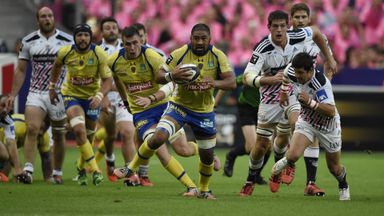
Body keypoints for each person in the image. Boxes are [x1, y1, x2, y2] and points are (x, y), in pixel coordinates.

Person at [114, 23, 236, 199]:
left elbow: (231, 82)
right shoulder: (179, 54)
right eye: (196, 38)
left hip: (204, 111)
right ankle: (130, 168)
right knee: (158, 137)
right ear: (191, 38)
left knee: (207, 157)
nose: (200, 42)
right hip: (179, 107)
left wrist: (213, 83)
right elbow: (159, 76)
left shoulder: (218, 56)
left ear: (209, 39)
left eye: (203, 38)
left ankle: (204, 189)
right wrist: (172, 76)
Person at [239, 10, 336, 197]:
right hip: (269, 98)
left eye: (283, 26)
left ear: (287, 26)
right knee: (261, 145)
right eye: (275, 26)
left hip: (292, 91)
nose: (279, 30)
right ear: (269, 27)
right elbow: (247, 76)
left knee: (302, 125)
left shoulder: (297, 35)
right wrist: (266, 80)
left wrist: (330, 59)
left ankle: (299, 173)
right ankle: (250, 180)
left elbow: (315, 31)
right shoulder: (262, 47)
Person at [109, 26, 199, 191]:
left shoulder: (153, 56)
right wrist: (126, 101)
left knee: (183, 150)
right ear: (122, 43)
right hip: (142, 112)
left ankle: (204, 150)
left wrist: (151, 98)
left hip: (164, 106)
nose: (132, 47)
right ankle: (191, 187)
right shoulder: (114, 61)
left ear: (142, 40)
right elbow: (117, 78)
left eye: (136, 43)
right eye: (128, 44)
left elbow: (171, 82)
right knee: (155, 144)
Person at [270, 52, 350, 201]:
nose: (298, 76)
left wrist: (310, 102)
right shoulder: (292, 71)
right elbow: (286, 76)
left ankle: (343, 184)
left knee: (334, 168)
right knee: (293, 155)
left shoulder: (321, 83)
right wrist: (283, 92)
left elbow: (331, 111)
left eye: (301, 73)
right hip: (307, 122)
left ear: (310, 70)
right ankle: (284, 163)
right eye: (296, 72)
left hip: (328, 127)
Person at [6, 6, 72, 184]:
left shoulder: (68, 40)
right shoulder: (29, 41)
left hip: (58, 93)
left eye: (50, 15)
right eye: (43, 16)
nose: (47, 18)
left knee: (58, 134)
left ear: (54, 19)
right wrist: (12, 94)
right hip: (36, 92)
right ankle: (28, 170)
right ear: (38, 20)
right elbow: (20, 69)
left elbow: (75, 67)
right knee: (32, 128)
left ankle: (57, 173)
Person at [49, 23, 112, 186]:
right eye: (79, 35)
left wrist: (99, 95)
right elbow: (56, 66)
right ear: (74, 37)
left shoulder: (99, 53)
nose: (82, 38)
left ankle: (81, 167)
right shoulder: (66, 52)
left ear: (90, 37)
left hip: (91, 98)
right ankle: (96, 171)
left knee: (88, 137)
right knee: (79, 130)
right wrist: (52, 87)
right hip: (72, 96)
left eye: (86, 35)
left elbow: (107, 80)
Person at [289, 2, 335, 196]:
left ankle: (310, 182)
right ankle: (287, 161)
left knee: (311, 128)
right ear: (290, 19)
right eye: (296, 17)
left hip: (309, 90)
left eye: (303, 17)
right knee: (290, 129)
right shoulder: (287, 37)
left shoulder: (317, 38)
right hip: (288, 87)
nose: (300, 21)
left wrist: (325, 83)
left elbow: (328, 65)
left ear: (309, 19)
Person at [91, 17, 136, 183]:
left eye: (114, 27)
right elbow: (94, 78)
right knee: (110, 135)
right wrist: (101, 96)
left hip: (124, 98)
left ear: (118, 30)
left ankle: (130, 172)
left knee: (127, 132)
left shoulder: (128, 48)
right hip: (105, 98)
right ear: (102, 31)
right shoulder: (95, 50)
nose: (111, 30)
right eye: (107, 28)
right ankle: (109, 159)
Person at [220, 74, 270, 185]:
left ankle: (256, 175)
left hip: (264, 109)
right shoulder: (250, 74)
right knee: (251, 147)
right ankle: (232, 155)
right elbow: (230, 84)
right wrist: (216, 101)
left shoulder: (276, 75)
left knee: (268, 146)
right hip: (246, 107)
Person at [0, 113, 52, 181]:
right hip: (3, 144)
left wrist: (48, 179)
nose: (41, 133)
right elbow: (9, 148)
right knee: (7, 156)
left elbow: (46, 159)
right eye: (40, 128)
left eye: (45, 129)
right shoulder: (18, 127)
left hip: (7, 148)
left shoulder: (44, 137)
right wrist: (19, 170)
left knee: (5, 179)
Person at [0, 95, 26, 183]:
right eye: (2, 105)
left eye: (7, 106)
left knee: (5, 155)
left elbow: (11, 143)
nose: (4, 110)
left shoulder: (8, 121)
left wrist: (18, 169)